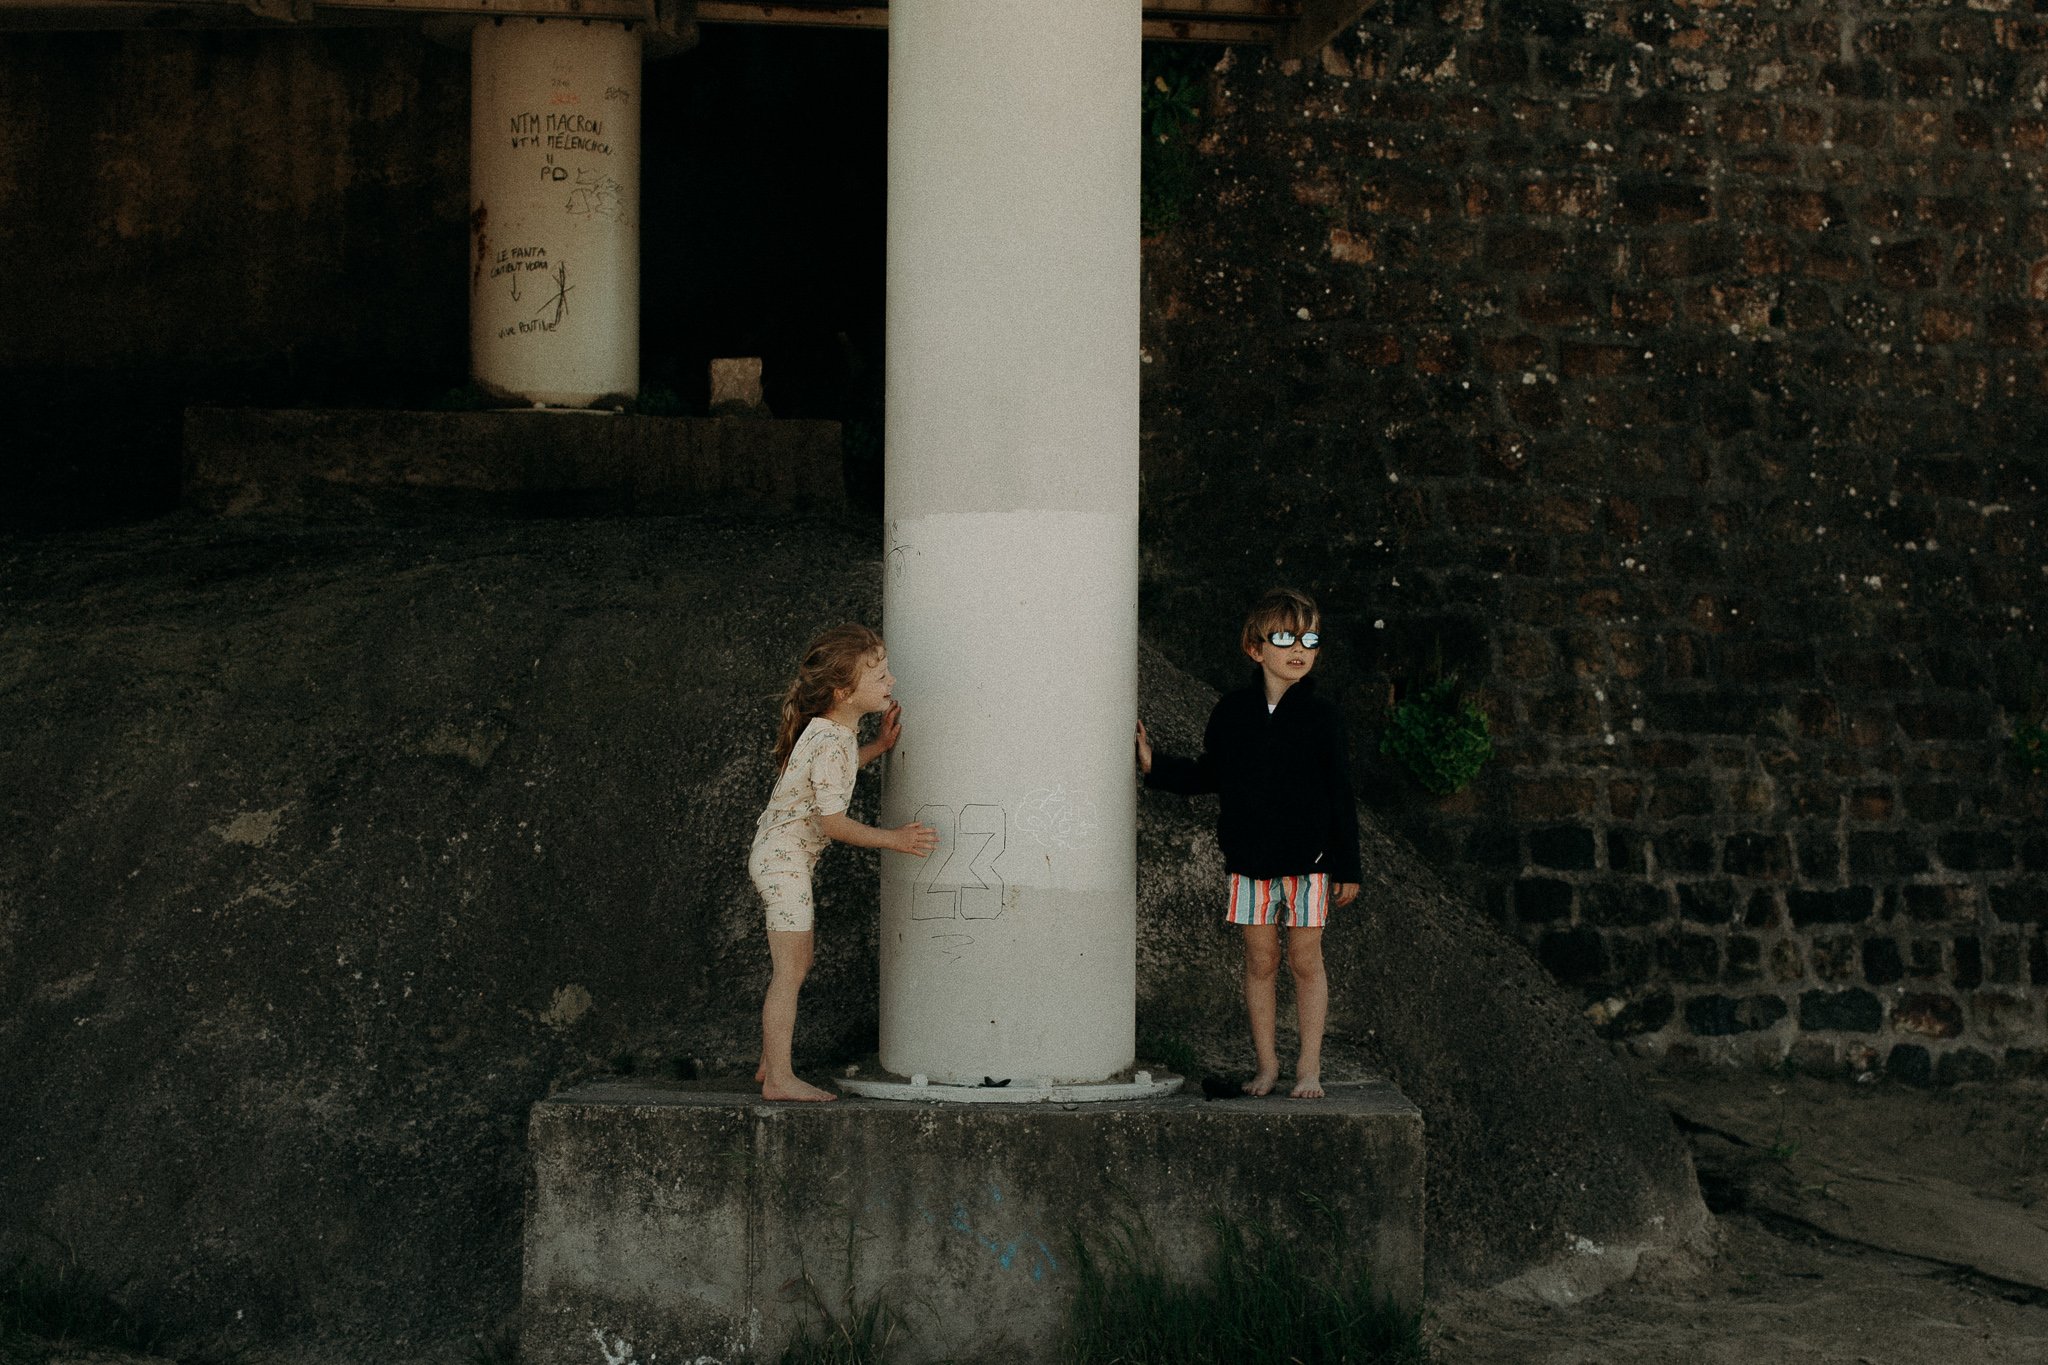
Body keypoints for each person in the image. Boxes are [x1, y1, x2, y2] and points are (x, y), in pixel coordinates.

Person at [1136, 588, 1361, 1099]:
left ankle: (1309, 1068)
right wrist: (1156, 765)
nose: (1298, 648)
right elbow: (1209, 774)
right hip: (1250, 862)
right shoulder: (1233, 711)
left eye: (1309, 637)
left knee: (1306, 961)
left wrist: (1349, 867)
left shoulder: (1324, 717)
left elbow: (1341, 794)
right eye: (1284, 637)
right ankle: (1267, 1065)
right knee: (1260, 961)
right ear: (1255, 648)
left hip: (1311, 864)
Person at [750, 624, 938, 1101]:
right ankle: (778, 1079)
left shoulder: (831, 732)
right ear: (843, 692)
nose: (891, 681)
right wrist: (894, 840)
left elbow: (830, 774)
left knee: (798, 961)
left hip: (781, 857)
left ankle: (771, 1059)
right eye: (879, 676)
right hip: (783, 861)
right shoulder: (831, 739)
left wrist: (876, 747)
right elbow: (833, 822)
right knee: (789, 971)